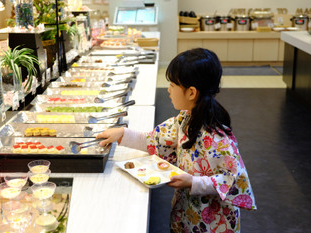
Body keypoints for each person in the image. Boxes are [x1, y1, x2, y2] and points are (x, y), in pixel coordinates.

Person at [97, 48, 256, 233]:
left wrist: (192, 182)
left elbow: (233, 180)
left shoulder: (217, 137)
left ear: (191, 93)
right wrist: (122, 134)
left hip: (213, 224)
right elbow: (154, 140)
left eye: (172, 84)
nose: (168, 89)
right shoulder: (185, 119)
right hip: (188, 215)